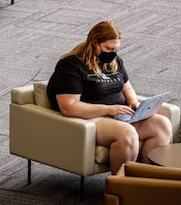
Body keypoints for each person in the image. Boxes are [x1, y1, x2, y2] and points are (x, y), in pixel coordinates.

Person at [46, 21, 173, 174]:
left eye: (115, 49)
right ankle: (122, 184)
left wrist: (133, 101)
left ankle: (148, 179)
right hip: (93, 117)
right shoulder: (71, 65)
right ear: (94, 43)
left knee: (162, 125)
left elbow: (127, 87)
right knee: (127, 133)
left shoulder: (114, 61)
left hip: (120, 115)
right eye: (108, 48)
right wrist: (109, 109)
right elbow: (69, 107)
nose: (112, 53)